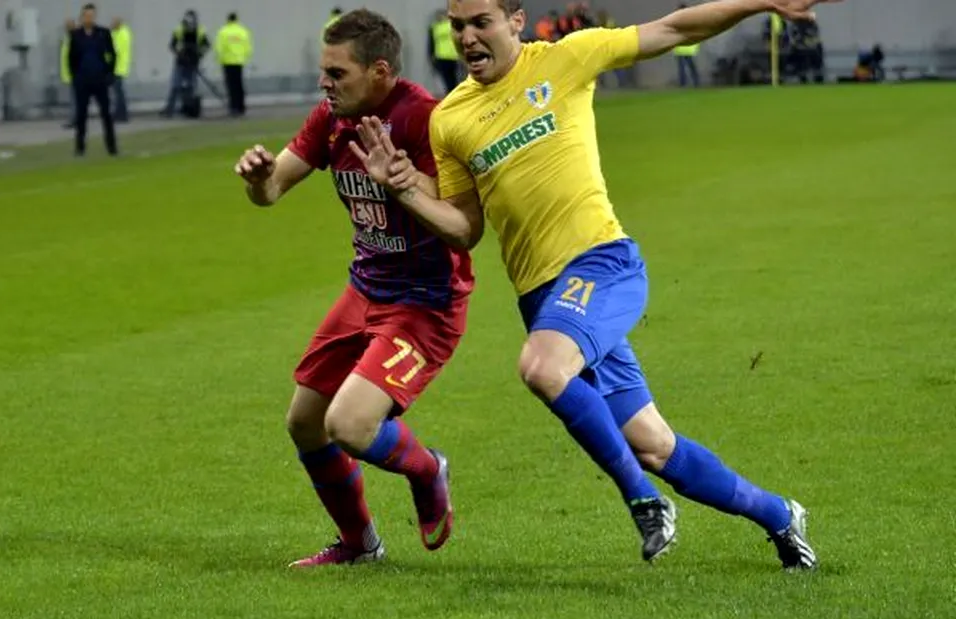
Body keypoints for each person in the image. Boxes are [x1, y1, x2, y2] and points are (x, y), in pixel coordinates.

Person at [351, 0, 827, 571]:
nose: (468, 38)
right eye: (458, 27)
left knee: (541, 369)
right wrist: (405, 192)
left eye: (482, 23)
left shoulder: (567, 59)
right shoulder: (450, 118)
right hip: (544, 301)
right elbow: (464, 230)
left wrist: (764, 3)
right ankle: (780, 515)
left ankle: (646, 505)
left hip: (602, 264)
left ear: (516, 22)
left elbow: (674, 28)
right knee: (654, 445)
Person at [233, 9, 472, 567]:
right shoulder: (331, 119)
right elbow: (271, 193)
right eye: (324, 71)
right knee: (305, 423)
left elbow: (460, 225)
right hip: (364, 289)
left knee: (349, 425)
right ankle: (360, 545)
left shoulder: (424, 122)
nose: (325, 83)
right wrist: (256, 179)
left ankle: (428, 469)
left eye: (337, 73)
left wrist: (406, 184)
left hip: (424, 301)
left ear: (380, 72)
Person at [67, 3, 117, 157]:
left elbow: (112, 54)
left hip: (100, 80)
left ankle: (112, 147)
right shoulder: (76, 35)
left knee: (106, 115)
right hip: (83, 81)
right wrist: (75, 77)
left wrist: (109, 73)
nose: (89, 18)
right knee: (81, 116)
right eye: (86, 16)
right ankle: (80, 148)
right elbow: (71, 58)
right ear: (82, 17)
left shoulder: (103, 33)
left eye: (92, 15)